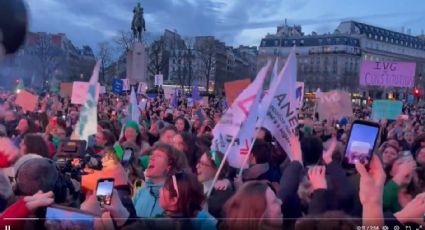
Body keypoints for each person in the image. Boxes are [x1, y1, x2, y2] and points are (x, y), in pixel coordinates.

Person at [133, 143, 189, 217]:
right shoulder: (141, 192)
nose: (151, 158)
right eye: (152, 155)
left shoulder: (175, 197)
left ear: (169, 166)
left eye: (158, 156)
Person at [196, 150, 234, 218]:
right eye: (199, 162)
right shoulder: (196, 185)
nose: (197, 166)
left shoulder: (222, 192)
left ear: (216, 169)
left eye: (202, 164)